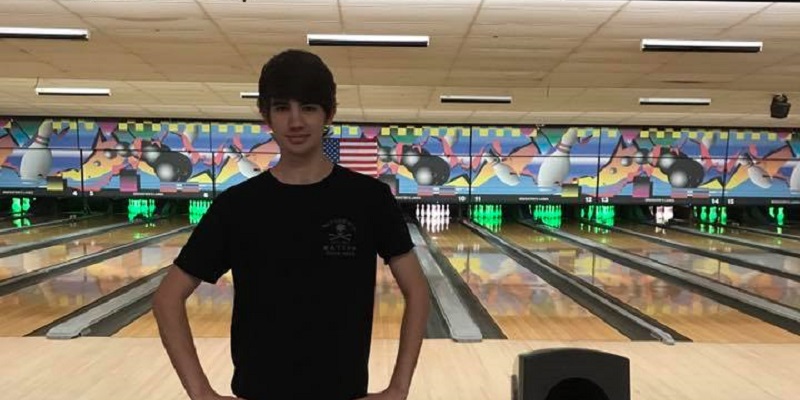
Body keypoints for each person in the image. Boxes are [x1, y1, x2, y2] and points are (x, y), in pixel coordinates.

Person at [153, 49, 430, 400]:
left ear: (329, 113)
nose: (295, 121)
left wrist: (399, 389)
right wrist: (201, 393)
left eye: (309, 108)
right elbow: (167, 299)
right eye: (282, 108)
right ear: (265, 115)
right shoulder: (237, 206)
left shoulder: (369, 199)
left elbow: (418, 291)